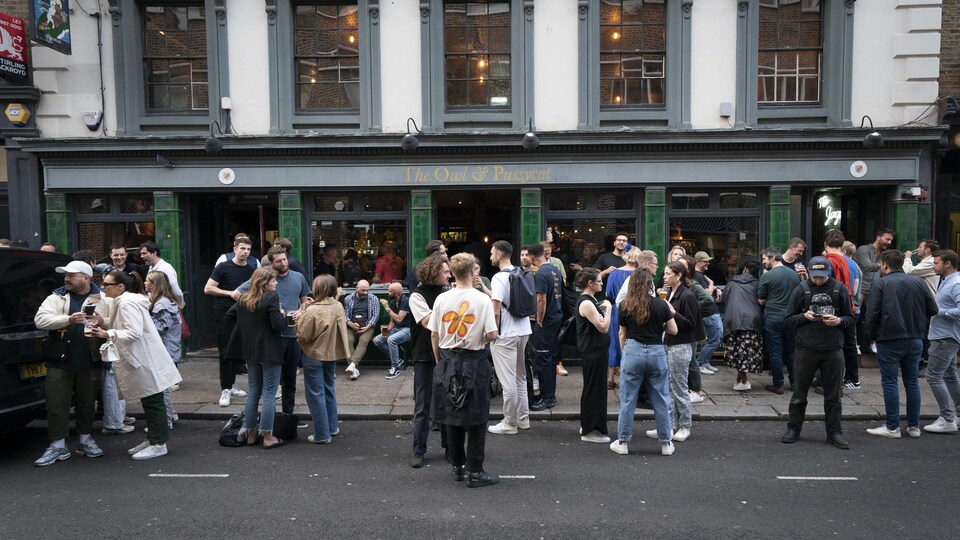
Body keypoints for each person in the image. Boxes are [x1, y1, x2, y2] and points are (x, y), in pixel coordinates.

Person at [91, 270, 182, 459]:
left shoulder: (126, 303)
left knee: (153, 401)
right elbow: (126, 326)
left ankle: (159, 443)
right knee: (150, 400)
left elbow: (133, 332)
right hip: (144, 358)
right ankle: (153, 439)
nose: (103, 287)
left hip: (143, 359)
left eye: (107, 284)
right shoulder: (126, 301)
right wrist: (104, 322)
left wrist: (106, 334)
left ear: (120, 287)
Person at [431, 253, 499, 487]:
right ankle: (475, 471)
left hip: (448, 360)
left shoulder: (442, 299)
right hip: (474, 361)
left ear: (453, 272)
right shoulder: (482, 300)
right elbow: (491, 335)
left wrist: (441, 361)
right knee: (477, 416)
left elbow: (435, 334)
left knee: (452, 416)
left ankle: (458, 467)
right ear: (472, 272)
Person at [32, 261, 109, 466]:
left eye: (71, 275)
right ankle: (58, 446)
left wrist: (102, 322)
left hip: (90, 358)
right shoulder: (56, 297)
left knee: (87, 403)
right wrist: (68, 319)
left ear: (86, 278)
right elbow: (40, 320)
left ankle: (85, 441)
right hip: (60, 359)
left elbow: (115, 323)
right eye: (65, 275)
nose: (66, 278)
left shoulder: (102, 298)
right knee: (57, 404)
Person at [781, 256, 855, 450]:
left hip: (833, 350)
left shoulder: (839, 289)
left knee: (833, 396)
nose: (818, 280)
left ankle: (834, 432)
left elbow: (850, 318)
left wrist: (839, 321)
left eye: (821, 277)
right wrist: (804, 317)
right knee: (799, 394)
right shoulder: (801, 289)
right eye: (814, 277)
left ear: (828, 272)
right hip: (805, 349)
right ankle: (793, 429)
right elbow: (788, 319)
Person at [865, 249, 937, 439]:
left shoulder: (880, 283)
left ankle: (892, 426)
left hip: (889, 338)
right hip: (915, 338)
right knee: (912, 382)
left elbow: (872, 314)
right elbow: (933, 308)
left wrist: (871, 336)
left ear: (885, 264)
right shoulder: (918, 282)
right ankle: (914, 426)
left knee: (890, 382)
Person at [233, 246, 311, 415]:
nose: (283, 263)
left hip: (292, 335)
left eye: (285, 259)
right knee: (270, 385)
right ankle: (270, 420)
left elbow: (305, 300)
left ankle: (287, 417)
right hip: (271, 337)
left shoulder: (298, 277)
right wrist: (258, 314)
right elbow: (237, 294)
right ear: (271, 263)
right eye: (279, 261)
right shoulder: (266, 278)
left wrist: (301, 311)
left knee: (290, 381)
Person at [610, 269, 678, 457]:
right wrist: (661, 323)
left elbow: (622, 333)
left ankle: (622, 442)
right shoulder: (661, 304)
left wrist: (625, 354)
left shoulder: (625, 305)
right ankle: (666, 443)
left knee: (628, 399)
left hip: (633, 350)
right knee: (661, 398)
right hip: (656, 351)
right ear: (650, 284)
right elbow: (673, 330)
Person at [223, 267, 287, 449]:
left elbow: (229, 315)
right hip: (269, 352)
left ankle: (251, 434)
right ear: (264, 282)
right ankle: (267, 436)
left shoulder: (244, 299)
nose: (276, 282)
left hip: (250, 352)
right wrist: (283, 316)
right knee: (269, 393)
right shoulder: (271, 298)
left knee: (253, 392)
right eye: (273, 280)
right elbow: (277, 325)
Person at [645, 261, 703, 442]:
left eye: (668, 273)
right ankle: (668, 425)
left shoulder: (687, 296)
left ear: (679, 275)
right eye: (664, 273)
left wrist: (672, 312)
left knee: (679, 386)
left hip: (680, 345)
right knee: (667, 386)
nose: (664, 276)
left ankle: (685, 425)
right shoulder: (669, 293)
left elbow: (691, 324)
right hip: (667, 342)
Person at [408, 255, 451, 467]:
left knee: (446, 403)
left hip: (447, 353)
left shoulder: (447, 292)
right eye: (445, 271)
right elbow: (428, 322)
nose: (449, 274)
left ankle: (449, 447)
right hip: (424, 355)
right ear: (434, 273)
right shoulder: (417, 296)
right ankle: (418, 450)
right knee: (423, 405)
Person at [296, 274, 349, 444]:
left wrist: (301, 315)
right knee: (328, 390)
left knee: (315, 394)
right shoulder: (338, 305)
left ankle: (322, 434)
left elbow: (303, 336)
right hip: (331, 354)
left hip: (314, 354)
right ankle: (332, 428)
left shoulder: (313, 310)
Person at [487, 240, 532, 436]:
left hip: (505, 334)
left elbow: (495, 309)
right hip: (524, 330)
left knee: (507, 382)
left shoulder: (498, 277)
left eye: (491, 253)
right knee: (520, 377)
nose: (490, 256)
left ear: (498, 254)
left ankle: (509, 422)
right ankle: (523, 419)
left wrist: (493, 332)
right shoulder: (521, 272)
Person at [204, 236, 256, 406]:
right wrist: (232, 293)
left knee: (241, 350)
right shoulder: (223, 267)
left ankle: (232, 385)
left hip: (244, 314)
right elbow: (208, 288)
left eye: (248, 249)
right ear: (235, 249)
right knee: (225, 351)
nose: (245, 252)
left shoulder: (251, 269)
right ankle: (225, 389)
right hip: (224, 313)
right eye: (242, 249)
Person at [924, 249, 960, 433]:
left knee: (933, 376)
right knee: (949, 375)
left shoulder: (956, 283)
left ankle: (947, 419)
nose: (933, 265)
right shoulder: (948, 281)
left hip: (945, 337)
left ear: (947, 264)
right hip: (944, 335)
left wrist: (939, 311)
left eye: (936, 262)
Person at [575, 268, 612, 444]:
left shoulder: (590, 300)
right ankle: (591, 430)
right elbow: (603, 327)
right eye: (599, 281)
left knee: (594, 388)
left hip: (595, 350)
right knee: (595, 389)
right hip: (593, 351)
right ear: (590, 283)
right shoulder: (587, 303)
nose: (602, 283)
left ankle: (588, 424)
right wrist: (610, 308)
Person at [758, 246, 800, 394]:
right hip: (790, 317)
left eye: (764, 259)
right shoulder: (794, 275)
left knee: (775, 352)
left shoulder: (767, 276)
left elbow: (761, 301)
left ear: (773, 258)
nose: (763, 262)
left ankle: (778, 384)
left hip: (773, 316)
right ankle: (795, 383)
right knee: (790, 351)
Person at [529, 243, 564, 411]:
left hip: (547, 321)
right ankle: (549, 394)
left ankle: (547, 398)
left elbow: (541, 300)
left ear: (532, 257)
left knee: (543, 360)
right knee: (550, 359)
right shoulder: (554, 270)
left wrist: (539, 320)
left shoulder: (541, 273)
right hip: (556, 318)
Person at [145, 271, 182, 428]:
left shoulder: (162, 304)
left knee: (163, 388)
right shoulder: (163, 301)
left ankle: (165, 421)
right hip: (167, 350)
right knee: (163, 387)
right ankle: (169, 416)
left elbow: (160, 327)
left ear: (154, 284)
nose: (145, 283)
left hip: (165, 352)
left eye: (147, 281)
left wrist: (144, 320)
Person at [721, 259, 764, 391]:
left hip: (733, 319)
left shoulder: (732, 283)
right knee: (746, 351)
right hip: (752, 320)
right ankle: (742, 380)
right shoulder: (758, 284)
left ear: (745, 269)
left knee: (737, 350)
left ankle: (743, 380)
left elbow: (723, 300)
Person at [854, 228, 895, 354]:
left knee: (875, 317)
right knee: (855, 316)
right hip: (860, 289)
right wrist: (886, 264)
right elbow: (867, 266)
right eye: (887, 239)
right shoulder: (863, 250)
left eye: (890, 240)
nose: (889, 242)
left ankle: (873, 342)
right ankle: (854, 344)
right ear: (878, 237)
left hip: (874, 289)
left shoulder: (884, 254)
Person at [604, 248, 637, 390]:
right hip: (635, 310)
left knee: (614, 342)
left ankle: (610, 379)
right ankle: (629, 379)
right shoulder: (639, 274)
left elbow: (608, 293)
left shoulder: (615, 272)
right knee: (631, 342)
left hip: (617, 310)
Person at [691, 252, 723, 375]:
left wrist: (716, 288)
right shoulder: (697, 276)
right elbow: (706, 294)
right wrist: (712, 285)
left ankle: (704, 362)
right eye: (705, 261)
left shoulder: (700, 275)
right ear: (698, 262)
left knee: (715, 338)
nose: (708, 263)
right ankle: (700, 363)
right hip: (708, 313)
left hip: (710, 312)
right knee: (715, 339)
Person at [343, 279, 380, 380]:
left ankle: (352, 365)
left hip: (367, 326)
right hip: (352, 326)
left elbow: (375, 316)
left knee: (363, 341)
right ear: (357, 289)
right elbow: (345, 315)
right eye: (363, 290)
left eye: (367, 290)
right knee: (348, 340)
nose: (365, 292)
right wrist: (351, 324)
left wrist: (367, 327)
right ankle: (354, 369)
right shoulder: (348, 298)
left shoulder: (374, 298)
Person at [375, 281, 413, 379]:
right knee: (377, 340)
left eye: (389, 291)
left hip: (407, 329)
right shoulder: (392, 302)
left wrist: (387, 308)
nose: (387, 293)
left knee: (391, 339)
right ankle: (398, 360)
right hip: (396, 328)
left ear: (396, 293)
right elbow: (392, 321)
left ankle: (395, 368)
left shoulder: (406, 301)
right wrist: (386, 330)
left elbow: (399, 319)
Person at [139, 241, 185, 307]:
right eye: (141, 254)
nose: (141, 256)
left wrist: (180, 304)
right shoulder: (151, 268)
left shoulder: (165, 268)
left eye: (144, 253)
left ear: (154, 253)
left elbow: (175, 290)